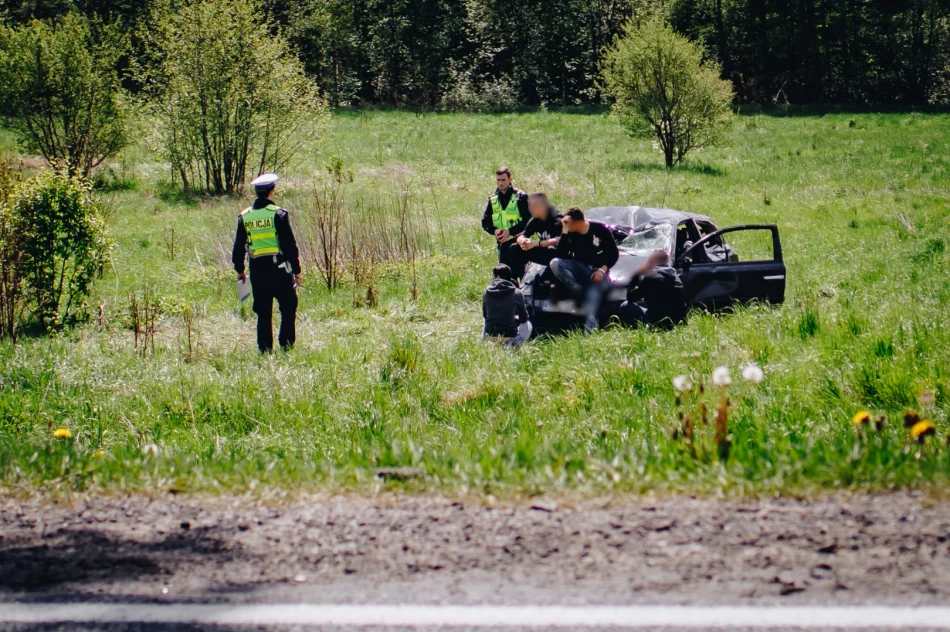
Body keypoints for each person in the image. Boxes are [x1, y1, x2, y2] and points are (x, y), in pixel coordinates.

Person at [231, 173, 303, 353]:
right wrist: (297, 271)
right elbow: (289, 245)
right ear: (272, 190)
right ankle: (286, 346)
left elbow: (238, 247)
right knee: (288, 308)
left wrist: (240, 270)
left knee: (263, 312)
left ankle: (264, 349)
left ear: (257, 192)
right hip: (279, 270)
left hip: (257, 272)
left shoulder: (245, 217)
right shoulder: (278, 214)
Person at [549, 207, 619, 333]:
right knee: (555, 263)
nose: (565, 226)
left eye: (567, 223)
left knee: (591, 307)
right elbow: (559, 255)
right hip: (578, 267)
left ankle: (590, 334)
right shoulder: (570, 233)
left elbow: (614, 254)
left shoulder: (599, 230)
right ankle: (577, 289)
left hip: (597, 271)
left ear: (575, 222)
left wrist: (602, 270)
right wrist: (564, 231)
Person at [620, 250, 687, 330]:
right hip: (677, 323)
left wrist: (637, 274)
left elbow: (630, 297)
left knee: (625, 305)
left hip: (657, 324)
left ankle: (638, 329)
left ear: (652, 262)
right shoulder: (677, 278)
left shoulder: (651, 278)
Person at [481, 166, 529, 271]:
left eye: (503, 180)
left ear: (510, 179)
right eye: (498, 180)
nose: (500, 183)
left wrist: (510, 231)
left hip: (519, 242)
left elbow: (528, 220)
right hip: (502, 244)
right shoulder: (493, 199)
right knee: (505, 274)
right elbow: (485, 222)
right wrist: (495, 231)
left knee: (521, 272)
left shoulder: (520, 197)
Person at [508, 191, 562, 280]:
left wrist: (537, 243)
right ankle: (516, 280)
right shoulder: (536, 219)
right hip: (543, 252)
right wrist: (522, 241)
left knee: (551, 249)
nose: (530, 209)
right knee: (515, 248)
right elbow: (524, 234)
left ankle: (552, 281)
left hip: (558, 258)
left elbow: (559, 240)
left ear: (542, 206)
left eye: (533, 206)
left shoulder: (557, 220)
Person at [482, 264, 533, 348]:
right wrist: (514, 318)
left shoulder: (486, 292)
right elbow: (524, 317)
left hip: (491, 335)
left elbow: (485, 315)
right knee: (528, 324)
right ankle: (515, 345)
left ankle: (485, 342)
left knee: (485, 322)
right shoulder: (517, 292)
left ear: (496, 276)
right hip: (509, 336)